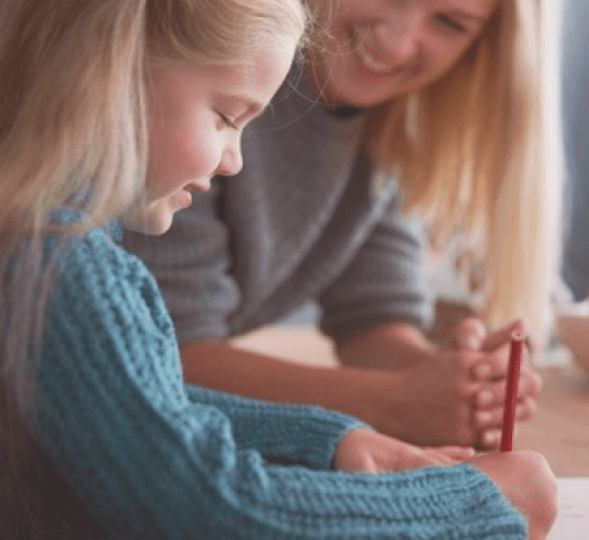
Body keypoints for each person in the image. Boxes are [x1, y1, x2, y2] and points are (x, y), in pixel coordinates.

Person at [0, 0, 559, 538]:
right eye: (226, 117)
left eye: (449, 20)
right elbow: (214, 507)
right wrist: (475, 505)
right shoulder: (72, 270)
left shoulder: (51, 247)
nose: (234, 160)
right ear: (112, 73)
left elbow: (148, 403)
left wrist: (328, 439)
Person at [124, 0, 561, 449]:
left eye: (449, 22)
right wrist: (392, 404)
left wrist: (460, 384)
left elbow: (374, 316)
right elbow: (157, 351)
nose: (396, 44)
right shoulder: (212, 74)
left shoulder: (390, 125)